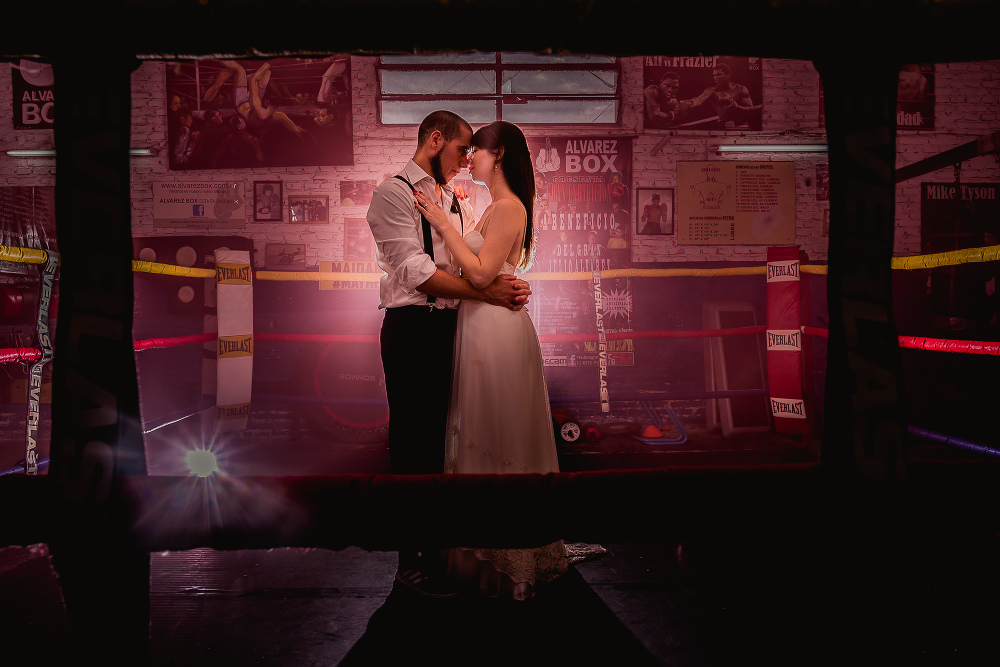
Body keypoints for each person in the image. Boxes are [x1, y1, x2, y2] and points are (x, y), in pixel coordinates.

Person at [366, 110, 531, 598]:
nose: (465, 160)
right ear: (435, 140)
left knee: (447, 443)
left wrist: (492, 286)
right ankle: (409, 559)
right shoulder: (392, 192)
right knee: (413, 443)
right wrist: (489, 292)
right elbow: (416, 270)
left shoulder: (451, 200)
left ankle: (443, 548)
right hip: (413, 328)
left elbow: (470, 263)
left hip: (455, 327)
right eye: (461, 149)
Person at [413, 120, 569, 601]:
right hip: (478, 325)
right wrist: (451, 221)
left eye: (475, 152)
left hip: (497, 329)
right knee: (478, 426)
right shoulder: (488, 208)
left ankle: (511, 555)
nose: (469, 160)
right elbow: (469, 270)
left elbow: (480, 273)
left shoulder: (509, 207)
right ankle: (480, 544)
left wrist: (441, 223)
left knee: (500, 427)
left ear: (497, 154)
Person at [685, 63, 759, 128]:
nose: (716, 77)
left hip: (741, 127)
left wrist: (736, 106)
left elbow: (751, 111)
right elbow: (699, 99)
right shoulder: (712, 91)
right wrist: (690, 103)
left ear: (728, 75)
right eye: (714, 75)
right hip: (723, 127)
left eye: (719, 74)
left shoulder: (741, 89)